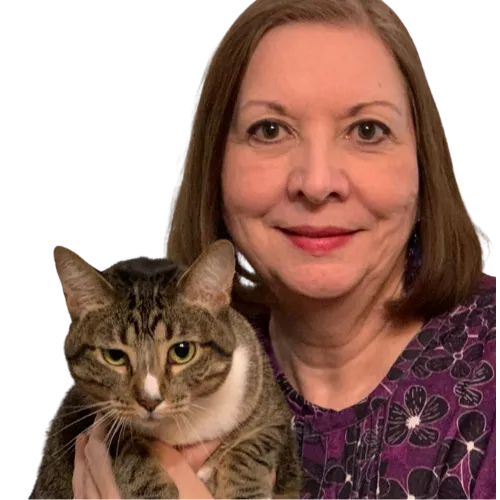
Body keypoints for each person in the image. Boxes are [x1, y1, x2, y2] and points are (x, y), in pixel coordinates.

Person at [72, 0, 496, 498]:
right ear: (217, 168)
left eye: (367, 130)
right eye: (270, 130)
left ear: (423, 165)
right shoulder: (156, 363)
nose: (316, 183)